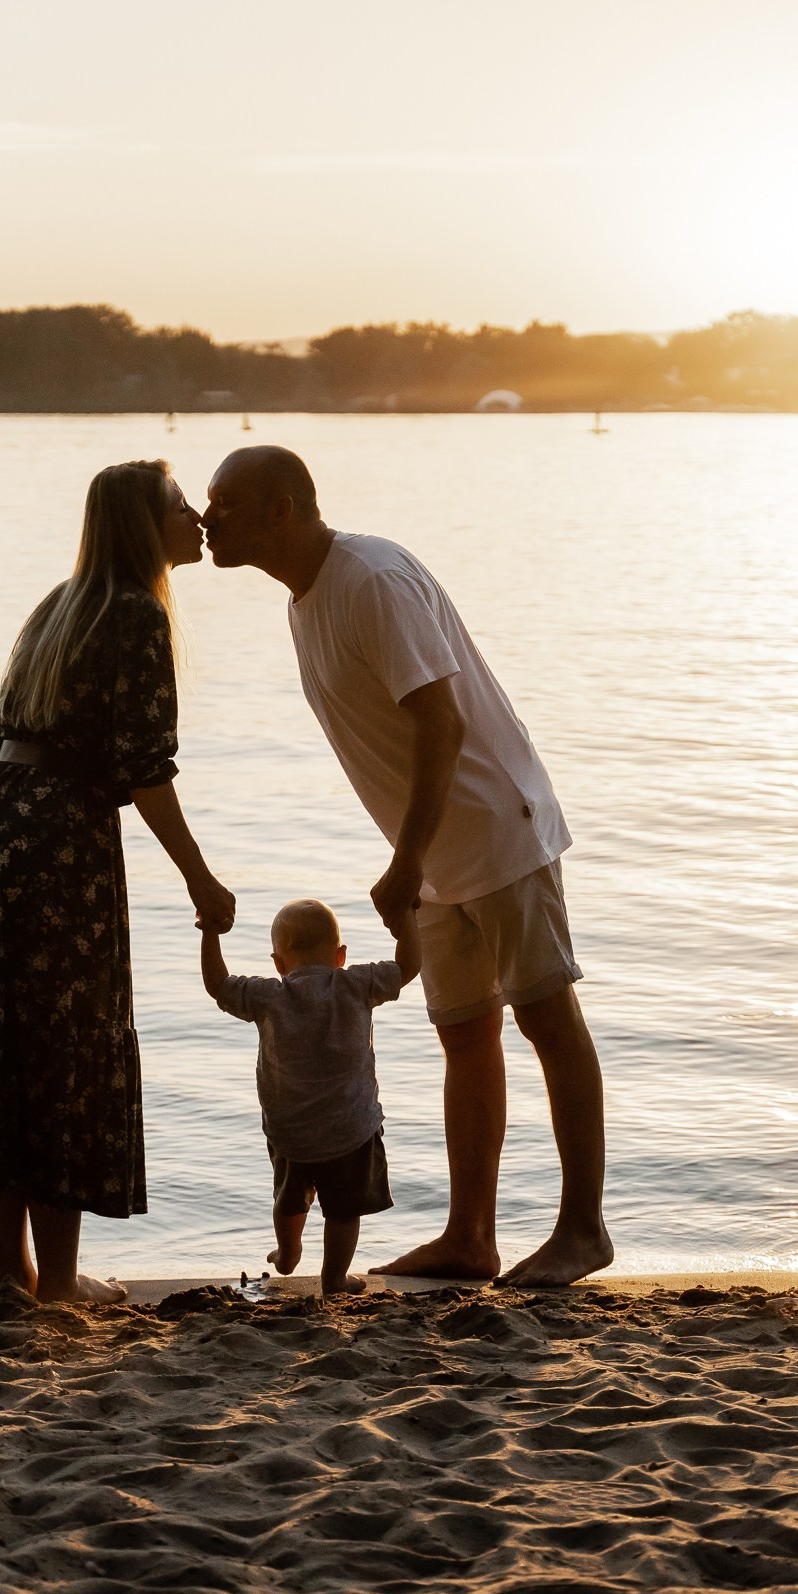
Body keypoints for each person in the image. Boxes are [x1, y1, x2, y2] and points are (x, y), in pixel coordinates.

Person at [200, 445, 613, 1287]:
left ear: (282, 507)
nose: (210, 519)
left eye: (226, 503)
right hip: (429, 856)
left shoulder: (373, 578)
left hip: (496, 827)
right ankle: (471, 1236)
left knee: (545, 1017)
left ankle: (583, 1230)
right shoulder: (306, 601)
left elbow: (443, 725)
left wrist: (406, 858)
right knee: (465, 1034)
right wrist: (415, 862)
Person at [0, 460, 235, 1306]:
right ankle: (56, 1287)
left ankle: (13, 1283)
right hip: (58, 846)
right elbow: (144, 771)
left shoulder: (58, 606)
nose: (198, 517)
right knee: (60, 1055)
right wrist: (202, 882)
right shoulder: (134, 615)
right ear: (143, 526)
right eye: (179, 507)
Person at [202, 898, 418, 1296]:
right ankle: (334, 1278)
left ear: (279, 963)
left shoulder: (268, 997)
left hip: (291, 1132)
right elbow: (408, 967)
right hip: (350, 1129)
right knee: (343, 1210)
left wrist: (210, 932)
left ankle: (288, 1253)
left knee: (289, 1198)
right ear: (340, 955)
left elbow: (218, 984)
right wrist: (405, 917)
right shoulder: (357, 984)